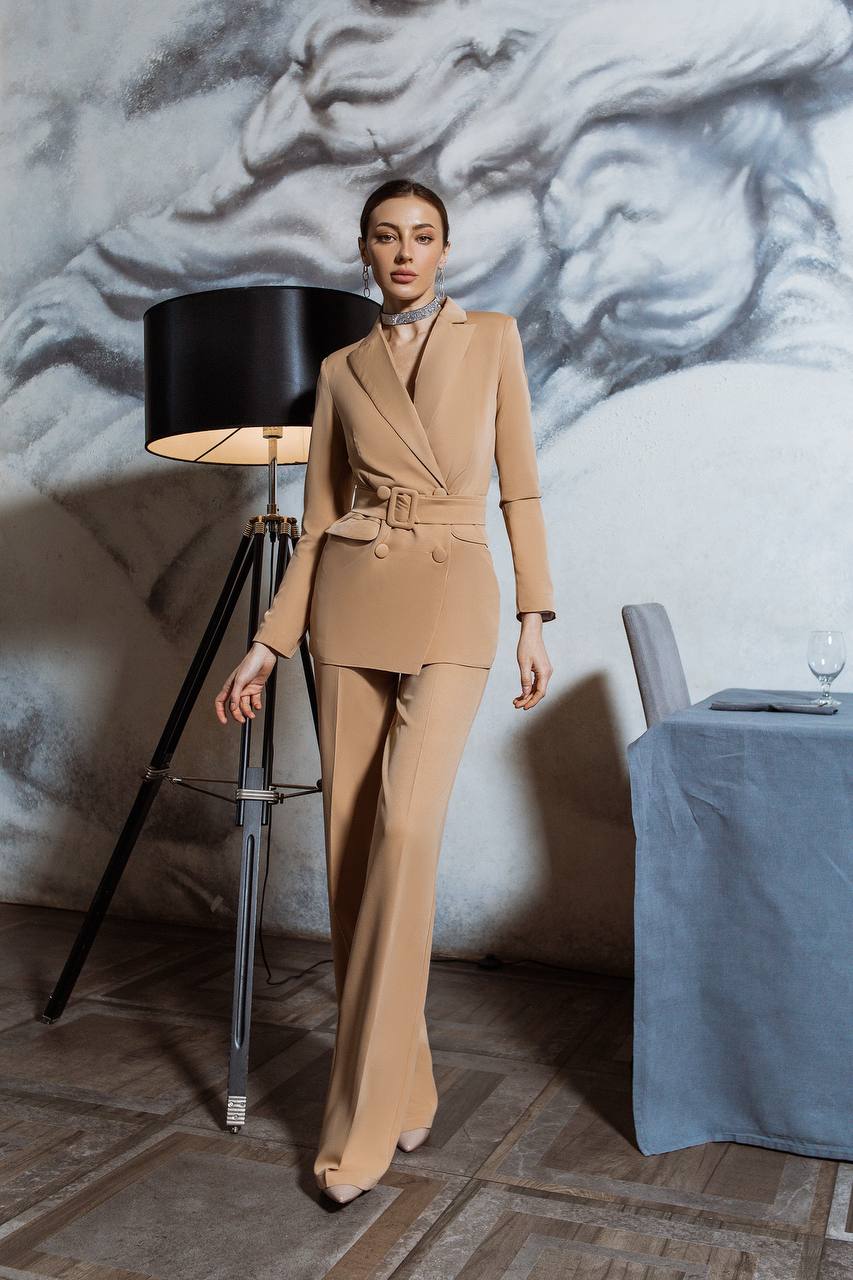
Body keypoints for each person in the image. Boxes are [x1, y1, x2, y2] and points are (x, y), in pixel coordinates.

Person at [214, 177, 556, 1204]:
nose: (404, 252)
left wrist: (538, 610)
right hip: (348, 610)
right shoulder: (340, 369)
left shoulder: (491, 338)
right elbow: (318, 522)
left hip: (451, 597)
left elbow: (519, 481)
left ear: (445, 250)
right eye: (385, 237)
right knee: (357, 862)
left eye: (422, 236)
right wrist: (270, 644)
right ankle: (408, 1085)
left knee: (406, 833)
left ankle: (355, 1125)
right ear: (362, 251)